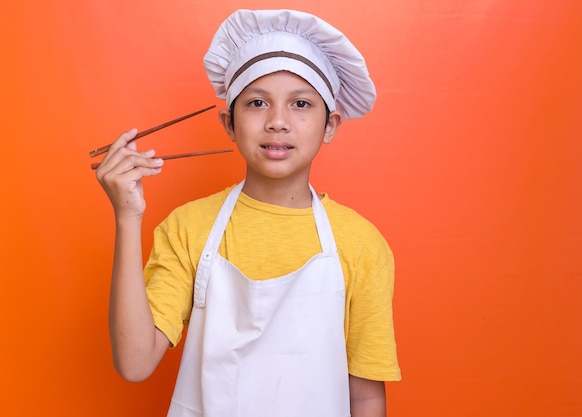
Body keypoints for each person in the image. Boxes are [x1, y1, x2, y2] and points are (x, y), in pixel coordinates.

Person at [96, 9, 400, 417]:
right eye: (257, 103)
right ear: (229, 123)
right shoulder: (189, 227)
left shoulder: (361, 244)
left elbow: (364, 396)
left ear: (330, 126)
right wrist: (127, 217)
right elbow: (135, 363)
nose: (277, 122)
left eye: (301, 104)